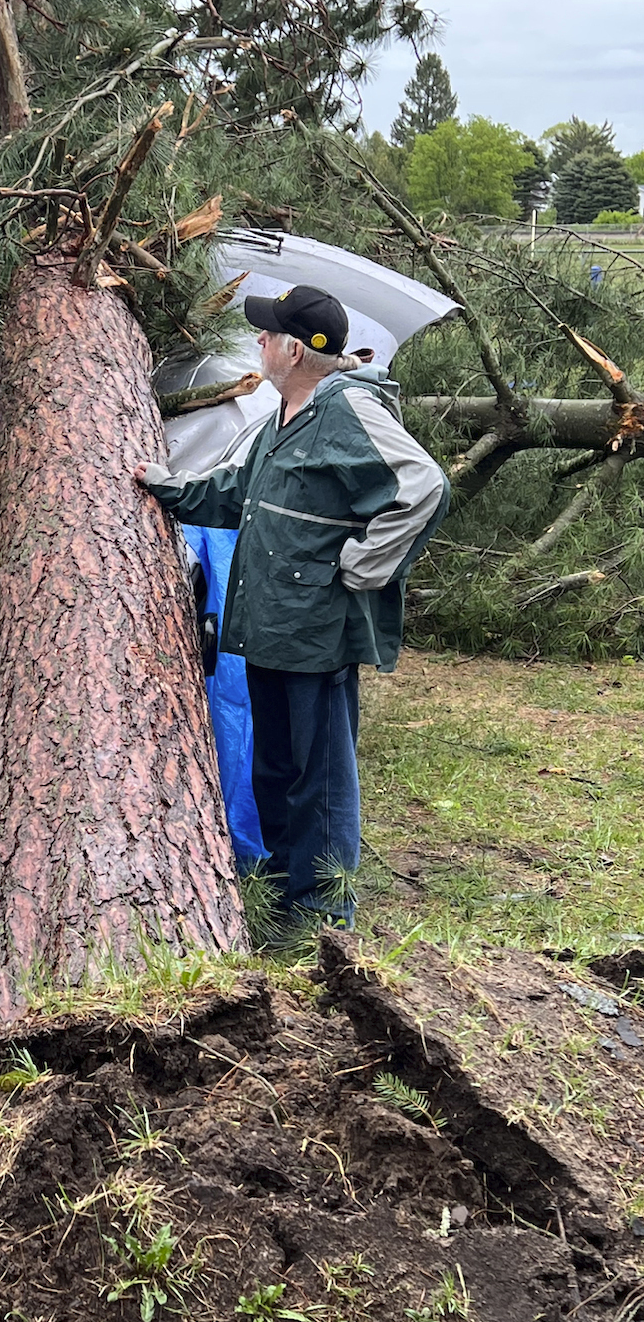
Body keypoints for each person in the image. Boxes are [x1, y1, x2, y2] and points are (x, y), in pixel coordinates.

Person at [135, 284, 449, 933]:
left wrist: (364, 564)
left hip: (315, 632)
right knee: (274, 769)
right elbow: (235, 492)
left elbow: (423, 487)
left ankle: (323, 915)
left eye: (268, 332)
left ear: (298, 350)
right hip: (269, 628)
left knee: (321, 779)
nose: (258, 340)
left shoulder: (346, 405)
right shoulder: (283, 413)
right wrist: (165, 489)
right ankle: (280, 895)